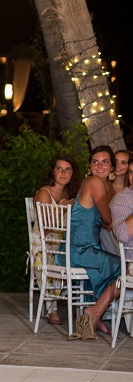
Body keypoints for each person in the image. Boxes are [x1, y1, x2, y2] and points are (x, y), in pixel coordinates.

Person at [62, 145, 120, 339]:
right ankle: (94, 312)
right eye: (95, 161)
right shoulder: (94, 182)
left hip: (86, 249)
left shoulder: (106, 186)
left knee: (117, 264)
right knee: (124, 268)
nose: (100, 166)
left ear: (112, 167)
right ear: (90, 165)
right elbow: (109, 219)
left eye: (105, 162)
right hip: (79, 250)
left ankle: (96, 313)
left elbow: (104, 222)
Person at [32, 154, 80, 325]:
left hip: (64, 242)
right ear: (53, 171)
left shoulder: (70, 193)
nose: (63, 173)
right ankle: (51, 309)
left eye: (68, 169)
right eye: (59, 168)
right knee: (54, 256)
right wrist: (62, 207)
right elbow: (45, 227)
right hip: (43, 244)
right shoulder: (45, 193)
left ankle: (84, 308)